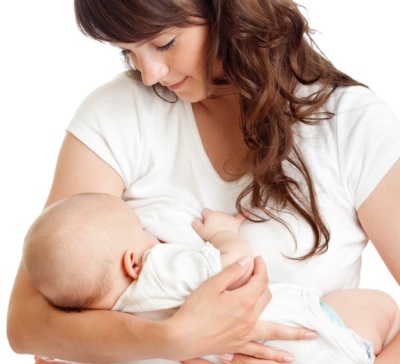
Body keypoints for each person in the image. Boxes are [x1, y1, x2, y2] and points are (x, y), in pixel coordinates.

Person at [7, 0, 400, 363]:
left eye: (164, 43)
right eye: (128, 51)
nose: (149, 75)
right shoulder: (115, 115)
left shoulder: (351, 125)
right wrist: (172, 338)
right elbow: (26, 325)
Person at [22, 192, 399, 364]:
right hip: (312, 336)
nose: (150, 234)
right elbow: (236, 265)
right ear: (131, 262)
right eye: (139, 228)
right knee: (380, 307)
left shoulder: (98, 341)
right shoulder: (156, 272)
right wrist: (222, 234)